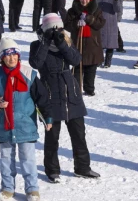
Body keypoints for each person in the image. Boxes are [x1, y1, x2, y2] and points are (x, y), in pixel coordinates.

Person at [0, 38, 53, 201]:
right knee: (6, 159)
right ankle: (7, 188)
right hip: (4, 124)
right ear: (2, 58)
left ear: (19, 56)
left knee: (28, 158)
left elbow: (42, 98)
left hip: (25, 124)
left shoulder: (29, 74)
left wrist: (47, 117)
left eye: (14, 54)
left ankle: (32, 189)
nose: (11, 58)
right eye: (7, 55)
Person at [29, 13, 100, 182]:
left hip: (71, 94)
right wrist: (46, 42)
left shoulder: (66, 41)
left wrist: (61, 43)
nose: (57, 31)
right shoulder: (36, 45)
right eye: (53, 29)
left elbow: (75, 60)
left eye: (59, 28)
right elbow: (36, 63)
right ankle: (52, 170)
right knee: (52, 137)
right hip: (51, 94)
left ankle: (82, 167)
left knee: (79, 135)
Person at [64, 0, 105, 96]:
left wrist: (88, 18)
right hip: (78, 43)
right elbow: (67, 25)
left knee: (91, 69)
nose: (84, 1)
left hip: (93, 45)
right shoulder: (72, 11)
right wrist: (77, 23)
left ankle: (89, 89)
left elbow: (100, 24)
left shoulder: (96, 10)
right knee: (77, 67)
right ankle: (76, 89)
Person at [94, 0, 121, 68]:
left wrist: (116, 1)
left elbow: (118, 9)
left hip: (110, 23)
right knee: (99, 43)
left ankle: (107, 62)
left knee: (110, 43)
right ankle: (99, 60)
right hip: (98, 22)